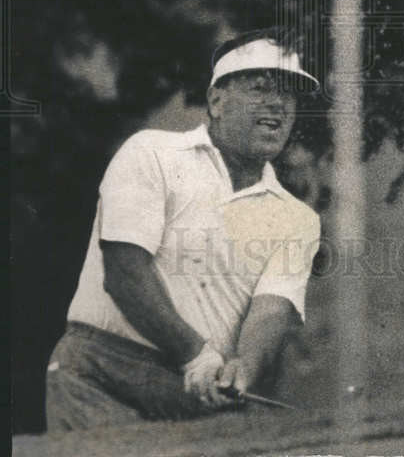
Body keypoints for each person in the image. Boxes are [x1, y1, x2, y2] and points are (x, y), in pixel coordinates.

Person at [45, 28, 322, 431]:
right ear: (216, 101)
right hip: (100, 375)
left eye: (289, 95)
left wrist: (241, 369)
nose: (278, 103)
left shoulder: (298, 219)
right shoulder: (150, 153)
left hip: (198, 395)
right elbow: (124, 272)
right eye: (260, 88)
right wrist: (196, 355)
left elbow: (271, 310)